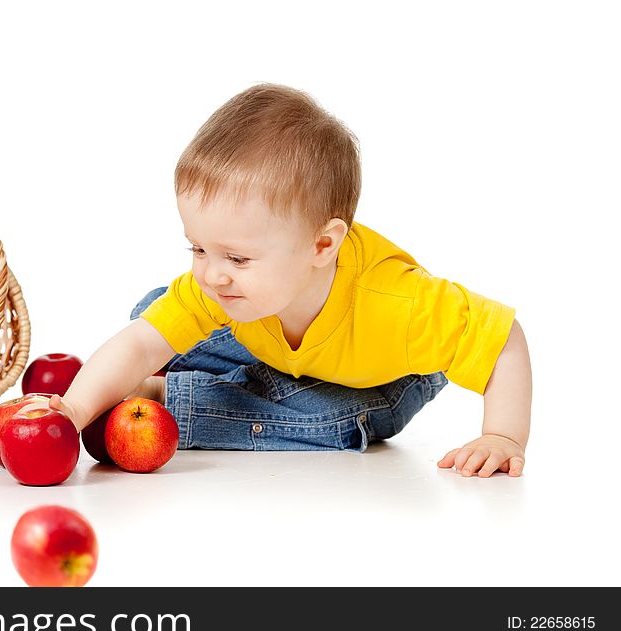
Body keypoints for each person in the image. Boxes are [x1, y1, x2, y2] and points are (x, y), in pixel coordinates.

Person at [49, 82, 532, 478]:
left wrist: (503, 435)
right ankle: (250, 376)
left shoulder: (399, 305)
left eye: (237, 257)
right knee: (153, 311)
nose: (212, 273)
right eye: (197, 248)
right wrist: (71, 411)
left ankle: (175, 397)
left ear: (322, 246)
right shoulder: (227, 280)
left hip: (383, 374)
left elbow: (502, 337)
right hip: (276, 335)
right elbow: (142, 341)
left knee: (332, 418)